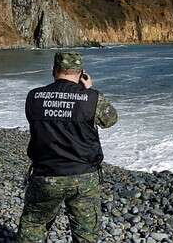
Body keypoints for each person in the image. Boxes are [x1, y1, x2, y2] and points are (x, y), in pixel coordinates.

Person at [17, 52, 118, 243]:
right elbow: (110, 119)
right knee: (86, 232)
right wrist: (88, 90)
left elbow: (35, 120)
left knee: (34, 225)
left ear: (54, 71)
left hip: (45, 174)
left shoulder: (34, 97)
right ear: (81, 73)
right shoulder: (91, 98)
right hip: (83, 177)